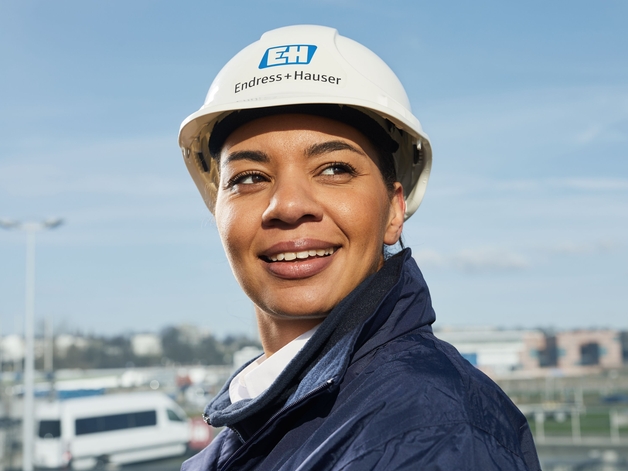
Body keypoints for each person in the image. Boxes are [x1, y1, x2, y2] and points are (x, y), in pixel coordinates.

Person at [178, 25, 541, 471]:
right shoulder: (257, 419)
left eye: (333, 168)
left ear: (393, 211)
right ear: (217, 211)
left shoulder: (432, 435)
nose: (288, 206)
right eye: (249, 177)